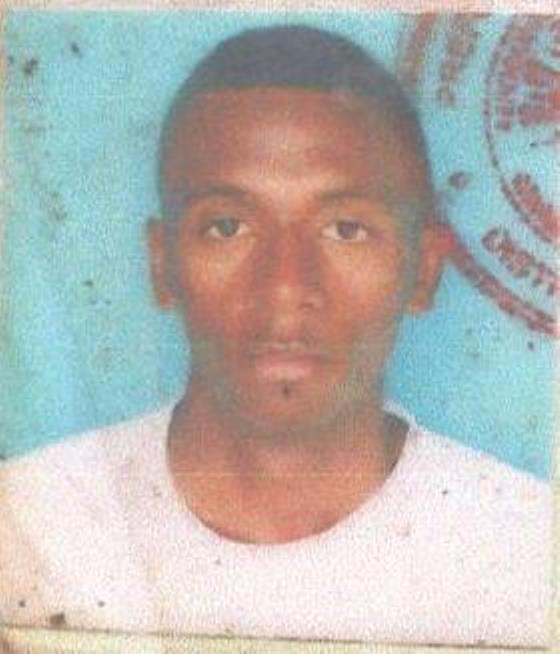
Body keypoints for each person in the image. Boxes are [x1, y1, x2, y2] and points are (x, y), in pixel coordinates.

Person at [0, 25, 551, 646]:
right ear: (162, 264)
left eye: (345, 229)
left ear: (423, 271)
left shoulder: (524, 554)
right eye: (228, 226)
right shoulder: (30, 525)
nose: (286, 286)